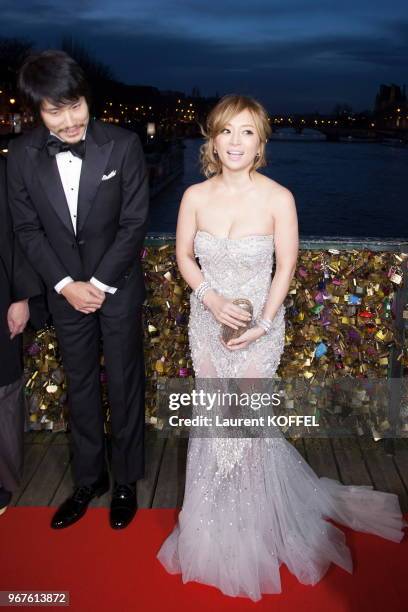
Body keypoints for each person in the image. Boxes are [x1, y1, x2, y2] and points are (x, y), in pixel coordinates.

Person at [156, 94, 407, 601]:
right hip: (207, 326)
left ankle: (253, 528)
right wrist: (209, 297)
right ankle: (208, 525)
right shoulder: (194, 197)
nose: (235, 142)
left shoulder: (279, 198)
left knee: (246, 429)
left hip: (259, 333)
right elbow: (184, 256)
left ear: (261, 142)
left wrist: (264, 324)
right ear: (213, 138)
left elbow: (286, 269)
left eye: (247, 132)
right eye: (227, 131)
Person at [7, 50, 149, 530]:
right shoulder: (21, 156)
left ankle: (126, 478)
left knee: (126, 382)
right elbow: (27, 231)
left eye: (75, 105)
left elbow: (133, 223)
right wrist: (66, 286)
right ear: (36, 111)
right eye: (54, 110)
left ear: (87, 99)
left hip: (118, 288)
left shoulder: (124, 144)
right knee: (81, 383)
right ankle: (90, 479)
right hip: (64, 293)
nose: (69, 120)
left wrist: (101, 284)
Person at [0, 154, 42, 516]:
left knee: (4, 391)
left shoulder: (3, 170)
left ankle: (4, 482)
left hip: (1, 294)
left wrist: (22, 296)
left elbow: (18, 232)